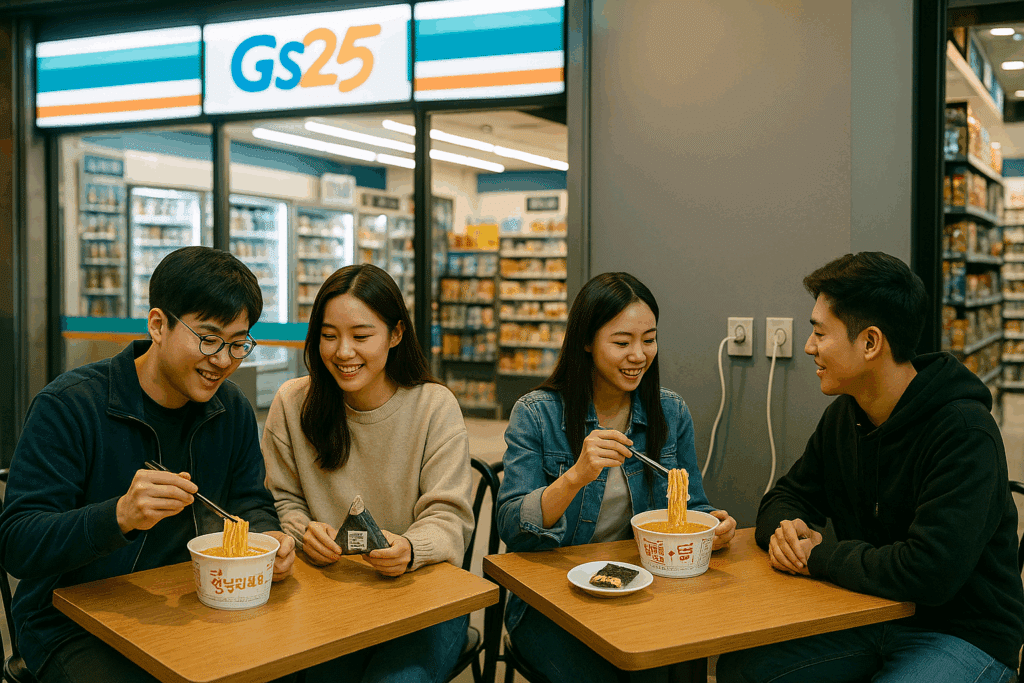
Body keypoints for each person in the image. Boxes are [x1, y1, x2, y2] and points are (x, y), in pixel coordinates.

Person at [717, 252, 1024, 683]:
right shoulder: (847, 414)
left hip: (963, 633)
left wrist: (818, 556)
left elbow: (928, 573)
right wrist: (788, 529)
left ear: (870, 343)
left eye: (820, 333)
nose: (809, 347)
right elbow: (785, 496)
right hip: (868, 613)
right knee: (744, 669)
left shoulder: (964, 433)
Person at [0, 246, 296, 683]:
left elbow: (249, 501)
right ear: (158, 325)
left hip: (191, 604)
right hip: (70, 621)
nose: (223, 360)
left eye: (238, 344)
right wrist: (119, 516)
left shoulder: (230, 407)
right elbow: (18, 543)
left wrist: (268, 536)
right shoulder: (71, 405)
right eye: (209, 338)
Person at [495, 271, 737, 682]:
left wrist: (713, 525)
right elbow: (512, 527)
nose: (639, 355)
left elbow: (692, 506)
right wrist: (575, 476)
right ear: (587, 343)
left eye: (649, 339)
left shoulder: (670, 412)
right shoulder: (537, 413)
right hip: (552, 603)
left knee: (680, 666)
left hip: (645, 590)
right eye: (622, 343)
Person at [261, 263, 474, 683]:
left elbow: (450, 518)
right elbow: (281, 501)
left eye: (361, 336)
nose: (343, 352)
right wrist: (304, 532)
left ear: (396, 334)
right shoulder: (292, 402)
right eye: (328, 335)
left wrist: (410, 548)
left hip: (423, 599)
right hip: (327, 594)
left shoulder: (434, 406)